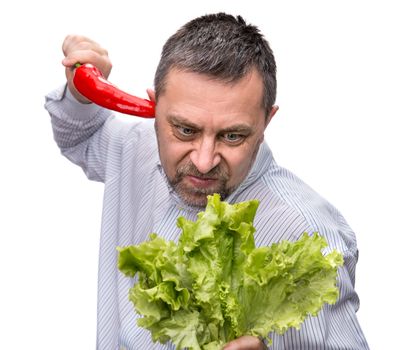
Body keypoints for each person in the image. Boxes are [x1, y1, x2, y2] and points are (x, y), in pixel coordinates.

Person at [45, 12, 369, 350]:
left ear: (266, 121)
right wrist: (80, 93)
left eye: (232, 136)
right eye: (185, 130)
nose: (203, 161)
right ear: (154, 107)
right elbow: (81, 136)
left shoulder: (309, 235)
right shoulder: (138, 146)